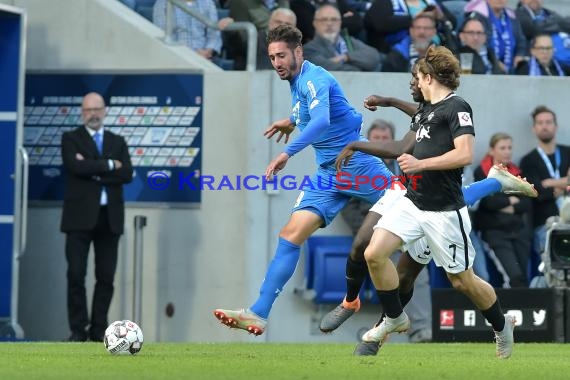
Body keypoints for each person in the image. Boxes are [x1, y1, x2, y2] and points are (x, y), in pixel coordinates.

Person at [321, 61, 536, 355]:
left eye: (417, 78)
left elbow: (465, 154)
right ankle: (393, 319)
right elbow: (406, 135)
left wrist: (419, 163)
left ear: (428, 77)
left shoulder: (457, 107)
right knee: (373, 252)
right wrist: (386, 103)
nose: (414, 84)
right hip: (412, 201)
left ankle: (501, 326)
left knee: (463, 281)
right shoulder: (426, 110)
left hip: (444, 211)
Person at [212, 24, 395, 336]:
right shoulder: (297, 83)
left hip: (356, 165)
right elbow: (314, 113)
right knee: (290, 234)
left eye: (281, 55)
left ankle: (493, 183)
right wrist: (292, 120)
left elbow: (323, 119)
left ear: (298, 52)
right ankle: (258, 313)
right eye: (271, 57)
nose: (277, 63)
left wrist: (288, 153)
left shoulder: (315, 78)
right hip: (327, 175)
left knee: (423, 202)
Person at [61, 92, 133, 342]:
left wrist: (93, 169)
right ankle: (77, 331)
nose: (93, 114)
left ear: (105, 111)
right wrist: (110, 165)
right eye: (88, 110)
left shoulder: (118, 140)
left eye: (97, 109)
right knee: (76, 274)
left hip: (109, 219)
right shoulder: (71, 139)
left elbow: (128, 174)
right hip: (78, 218)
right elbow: (75, 167)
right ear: (82, 112)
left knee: (106, 277)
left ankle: (98, 330)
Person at [474, 132, 532, 288]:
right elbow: (487, 203)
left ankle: (521, 309)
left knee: (522, 276)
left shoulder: (517, 172)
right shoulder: (481, 172)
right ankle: (511, 310)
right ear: (492, 150)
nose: (507, 151)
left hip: (518, 230)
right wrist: (512, 200)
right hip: (495, 232)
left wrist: (505, 205)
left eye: (510, 148)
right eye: (503, 148)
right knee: (514, 276)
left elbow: (527, 202)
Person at [520, 105, 570, 266]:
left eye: (548, 122)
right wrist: (565, 182)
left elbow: (544, 187)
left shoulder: (567, 152)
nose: (545, 126)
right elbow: (537, 193)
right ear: (534, 129)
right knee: (553, 269)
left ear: (555, 126)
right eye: (540, 123)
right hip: (546, 224)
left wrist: (549, 183)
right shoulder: (528, 160)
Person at [152, 0, 233, 69]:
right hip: (176, 60)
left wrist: (208, 52)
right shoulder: (163, 3)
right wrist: (191, 55)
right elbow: (164, 38)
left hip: (205, 58)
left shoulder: (207, 2)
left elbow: (214, 35)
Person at [303, 4, 382, 71]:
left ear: (340, 23)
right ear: (315, 23)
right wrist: (361, 68)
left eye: (334, 19)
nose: (329, 23)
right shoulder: (308, 49)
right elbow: (326, 68)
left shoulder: (349, 41)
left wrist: (346, 57)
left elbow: (374, 57)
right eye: (324, 19)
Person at [464, 0, 528, 73]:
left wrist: (519, 55)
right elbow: (478, 41)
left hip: (511, 67)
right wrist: (495, 62)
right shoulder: (477, 16)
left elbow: (521, 40)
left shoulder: (511, 16)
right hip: (486, 65)